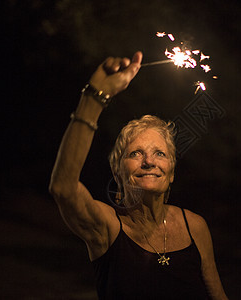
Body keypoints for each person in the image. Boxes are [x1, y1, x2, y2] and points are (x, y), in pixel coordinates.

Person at [49, 51, 228, 299]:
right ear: (118, 171)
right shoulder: (107, 228)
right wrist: (95, 98)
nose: (149, 162)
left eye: (160, 154)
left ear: (172, 172)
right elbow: (63, 189)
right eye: (135, 153)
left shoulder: (194, 227)